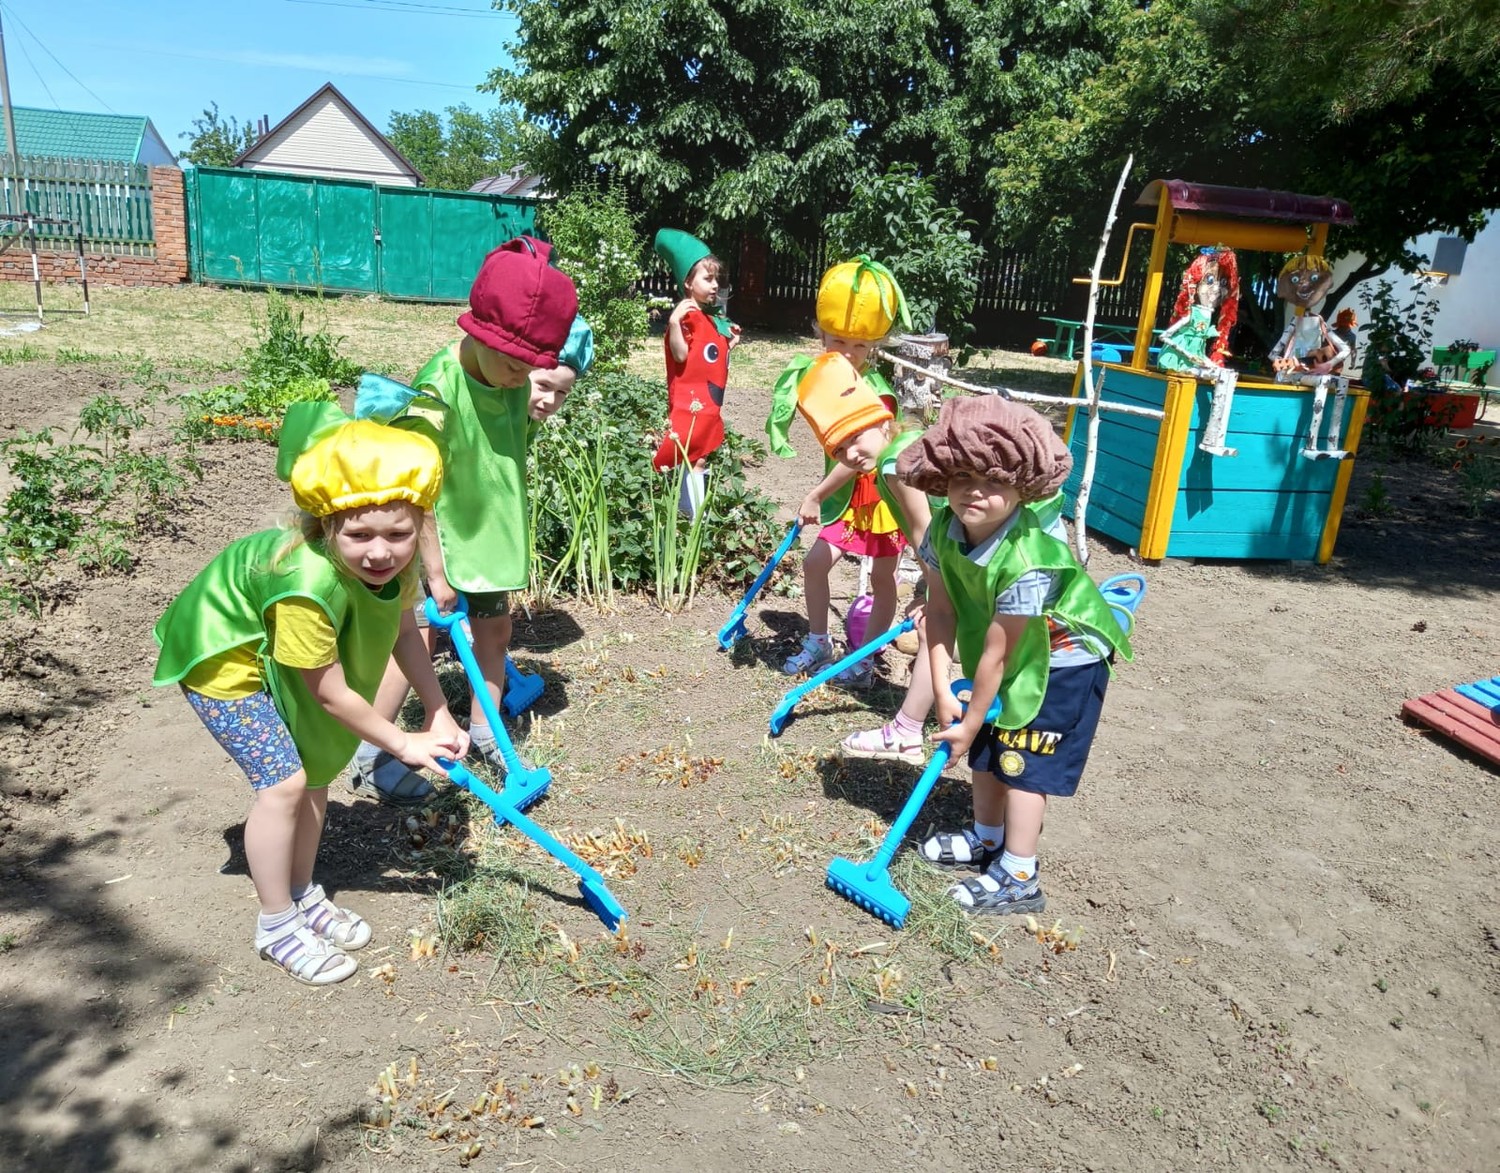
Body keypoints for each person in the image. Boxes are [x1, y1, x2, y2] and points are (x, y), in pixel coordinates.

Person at [152, 403, 465, 984]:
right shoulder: (306, 583)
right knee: (285, 781)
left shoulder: (391, 565)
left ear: (417, 524)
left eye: (399, 534)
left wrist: (440, 711)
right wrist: (402, 742)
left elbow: (402, 631)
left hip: (277, 647)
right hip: (223, 655)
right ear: (327, 526)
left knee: (316, 770)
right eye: (360, 534)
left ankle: (300, 890)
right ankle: (275, 923)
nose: (380, 551)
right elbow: (328, 694)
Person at [351, 236, 581, 800]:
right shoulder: (438, 389)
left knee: (496, 630)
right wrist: (434, 569)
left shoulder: (511, 375)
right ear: (476, 331)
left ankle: (485, 729)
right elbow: (415, 492)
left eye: (531, 368)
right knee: (419, 638)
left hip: (492, 538)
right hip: (443, 544)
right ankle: (371, 755)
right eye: (511, 364)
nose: (518, 378)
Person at [895, 395, 1133, 915]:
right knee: (985, 745)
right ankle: (986, 838)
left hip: (1063, 658)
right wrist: (942, 694)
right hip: (1006, 649)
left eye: (995, 482)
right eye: (961, 477)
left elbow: (1002, 655)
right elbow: (940, 613)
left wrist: (972, 715)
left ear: (1023, 488)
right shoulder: (942, 528)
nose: (974, 492)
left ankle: (1020, 873)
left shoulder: (1028, 559)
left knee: (1022, 757)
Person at [766, 257, 911, 687]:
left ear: (875, 346)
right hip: (846, 502)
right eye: (838, 342)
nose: (848, 354)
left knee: (883, 580)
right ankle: (819, 641)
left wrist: (813, 495)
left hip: (881, 499)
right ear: (820, 334)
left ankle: (865, 659)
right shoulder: (826, 380)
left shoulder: (877, 394)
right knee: (815, 564)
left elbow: (858, 460)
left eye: (860, 346)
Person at [652, 228, 741, 517]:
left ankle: (687, 514)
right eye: (708, 278)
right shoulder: (686, 315)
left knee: (696, 457)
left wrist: (729, 341)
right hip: (690, 402)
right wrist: (675, 323)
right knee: (692, 458)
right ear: (688, 282)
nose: (715, 285)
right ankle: (692, 517)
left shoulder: (709, 317)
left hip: (708, 404)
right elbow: (680, 355)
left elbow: (709, 359)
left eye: (716, 279)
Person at [1157, 247, 1239, 373]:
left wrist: (1211, 364)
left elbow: (1198, 352)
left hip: (1193, 361)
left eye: (1223, 282)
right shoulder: (1192, 314)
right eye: (1209, 280)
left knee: (1220, 373)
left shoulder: (1207, 317)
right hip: (1175, 359)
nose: (1216, 288)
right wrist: (1187, 354)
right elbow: (1164, 336)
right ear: (1195, 283)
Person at [1269, 253, 1348, 376]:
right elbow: (1273, 354)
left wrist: (1328, 365)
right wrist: (1282, 362)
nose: (1305, 284)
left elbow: (1346, 349)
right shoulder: (1295, 322)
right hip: (1291, 374)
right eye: (1296, 279)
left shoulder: (1320, 323)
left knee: (1324, 383)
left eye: (1314, 278)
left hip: (1312, 374)